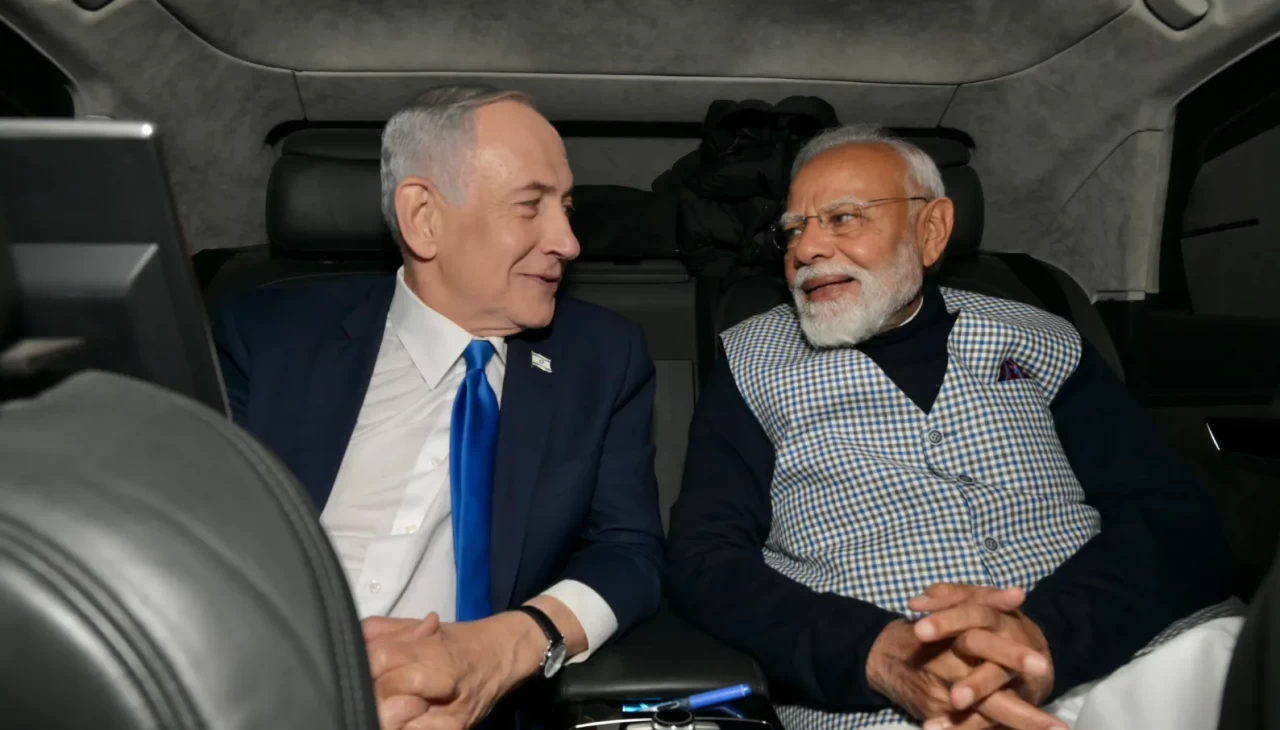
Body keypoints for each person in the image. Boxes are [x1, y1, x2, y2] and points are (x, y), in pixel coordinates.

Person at [667, 125, 1243, 730]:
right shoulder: (751, 360)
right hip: (888, 701)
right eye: (792, 229)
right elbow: (706, 559)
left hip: (1133, 653)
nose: (806, 248)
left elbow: (1171, 518)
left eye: (842, 218)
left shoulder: (1041, 335)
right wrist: (872, 652)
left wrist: (1046, 635)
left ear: (932, 230)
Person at [212, 85, 665, 730]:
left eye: (566, 208)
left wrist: (512, 643)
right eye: (530, 206)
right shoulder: (267, 333)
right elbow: (184, 529)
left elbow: (630, 553)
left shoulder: (602, 357)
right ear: (424, 218)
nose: (568, 241)